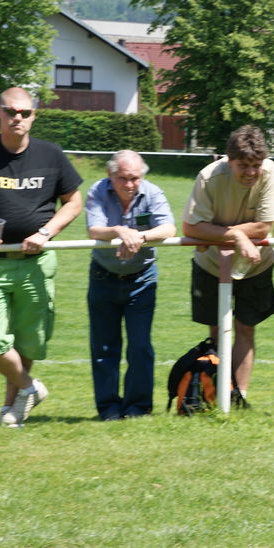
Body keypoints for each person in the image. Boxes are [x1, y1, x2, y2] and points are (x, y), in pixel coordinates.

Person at [0, 87, 83, 427]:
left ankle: (12, 409)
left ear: (33, 116)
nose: (18, 118)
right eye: (11, 111)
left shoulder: (50, 154)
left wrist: (46, 232)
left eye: (25, 113)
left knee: (28, 341)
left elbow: (73, 202)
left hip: (36, 264)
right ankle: (30, 388)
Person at [182, 125, 274, 404]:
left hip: (256, 265)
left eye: (256, 165)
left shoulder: (270, 172)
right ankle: (217, 395)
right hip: (211, 265)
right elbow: (190, 227)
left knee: (246, 328)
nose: (251, 172)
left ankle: (239, 397)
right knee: (217, 331)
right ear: (229, 160)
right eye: (243, 165)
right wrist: (238, 236)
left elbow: (263, 227)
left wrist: (215, 233)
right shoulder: (208, 177)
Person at [85, 150, 176, 420]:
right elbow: (94, 229)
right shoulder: (97, 190)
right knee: (104, 347)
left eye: (134, 178)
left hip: (142, 279)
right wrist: (119, 231)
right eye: (122, 178)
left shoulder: (153, 192)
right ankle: (109, 408)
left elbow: (168, 228)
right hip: (103, 277)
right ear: (110, 174)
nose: (129, 184)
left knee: (140, 346)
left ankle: (138, 407)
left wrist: (139, 236)